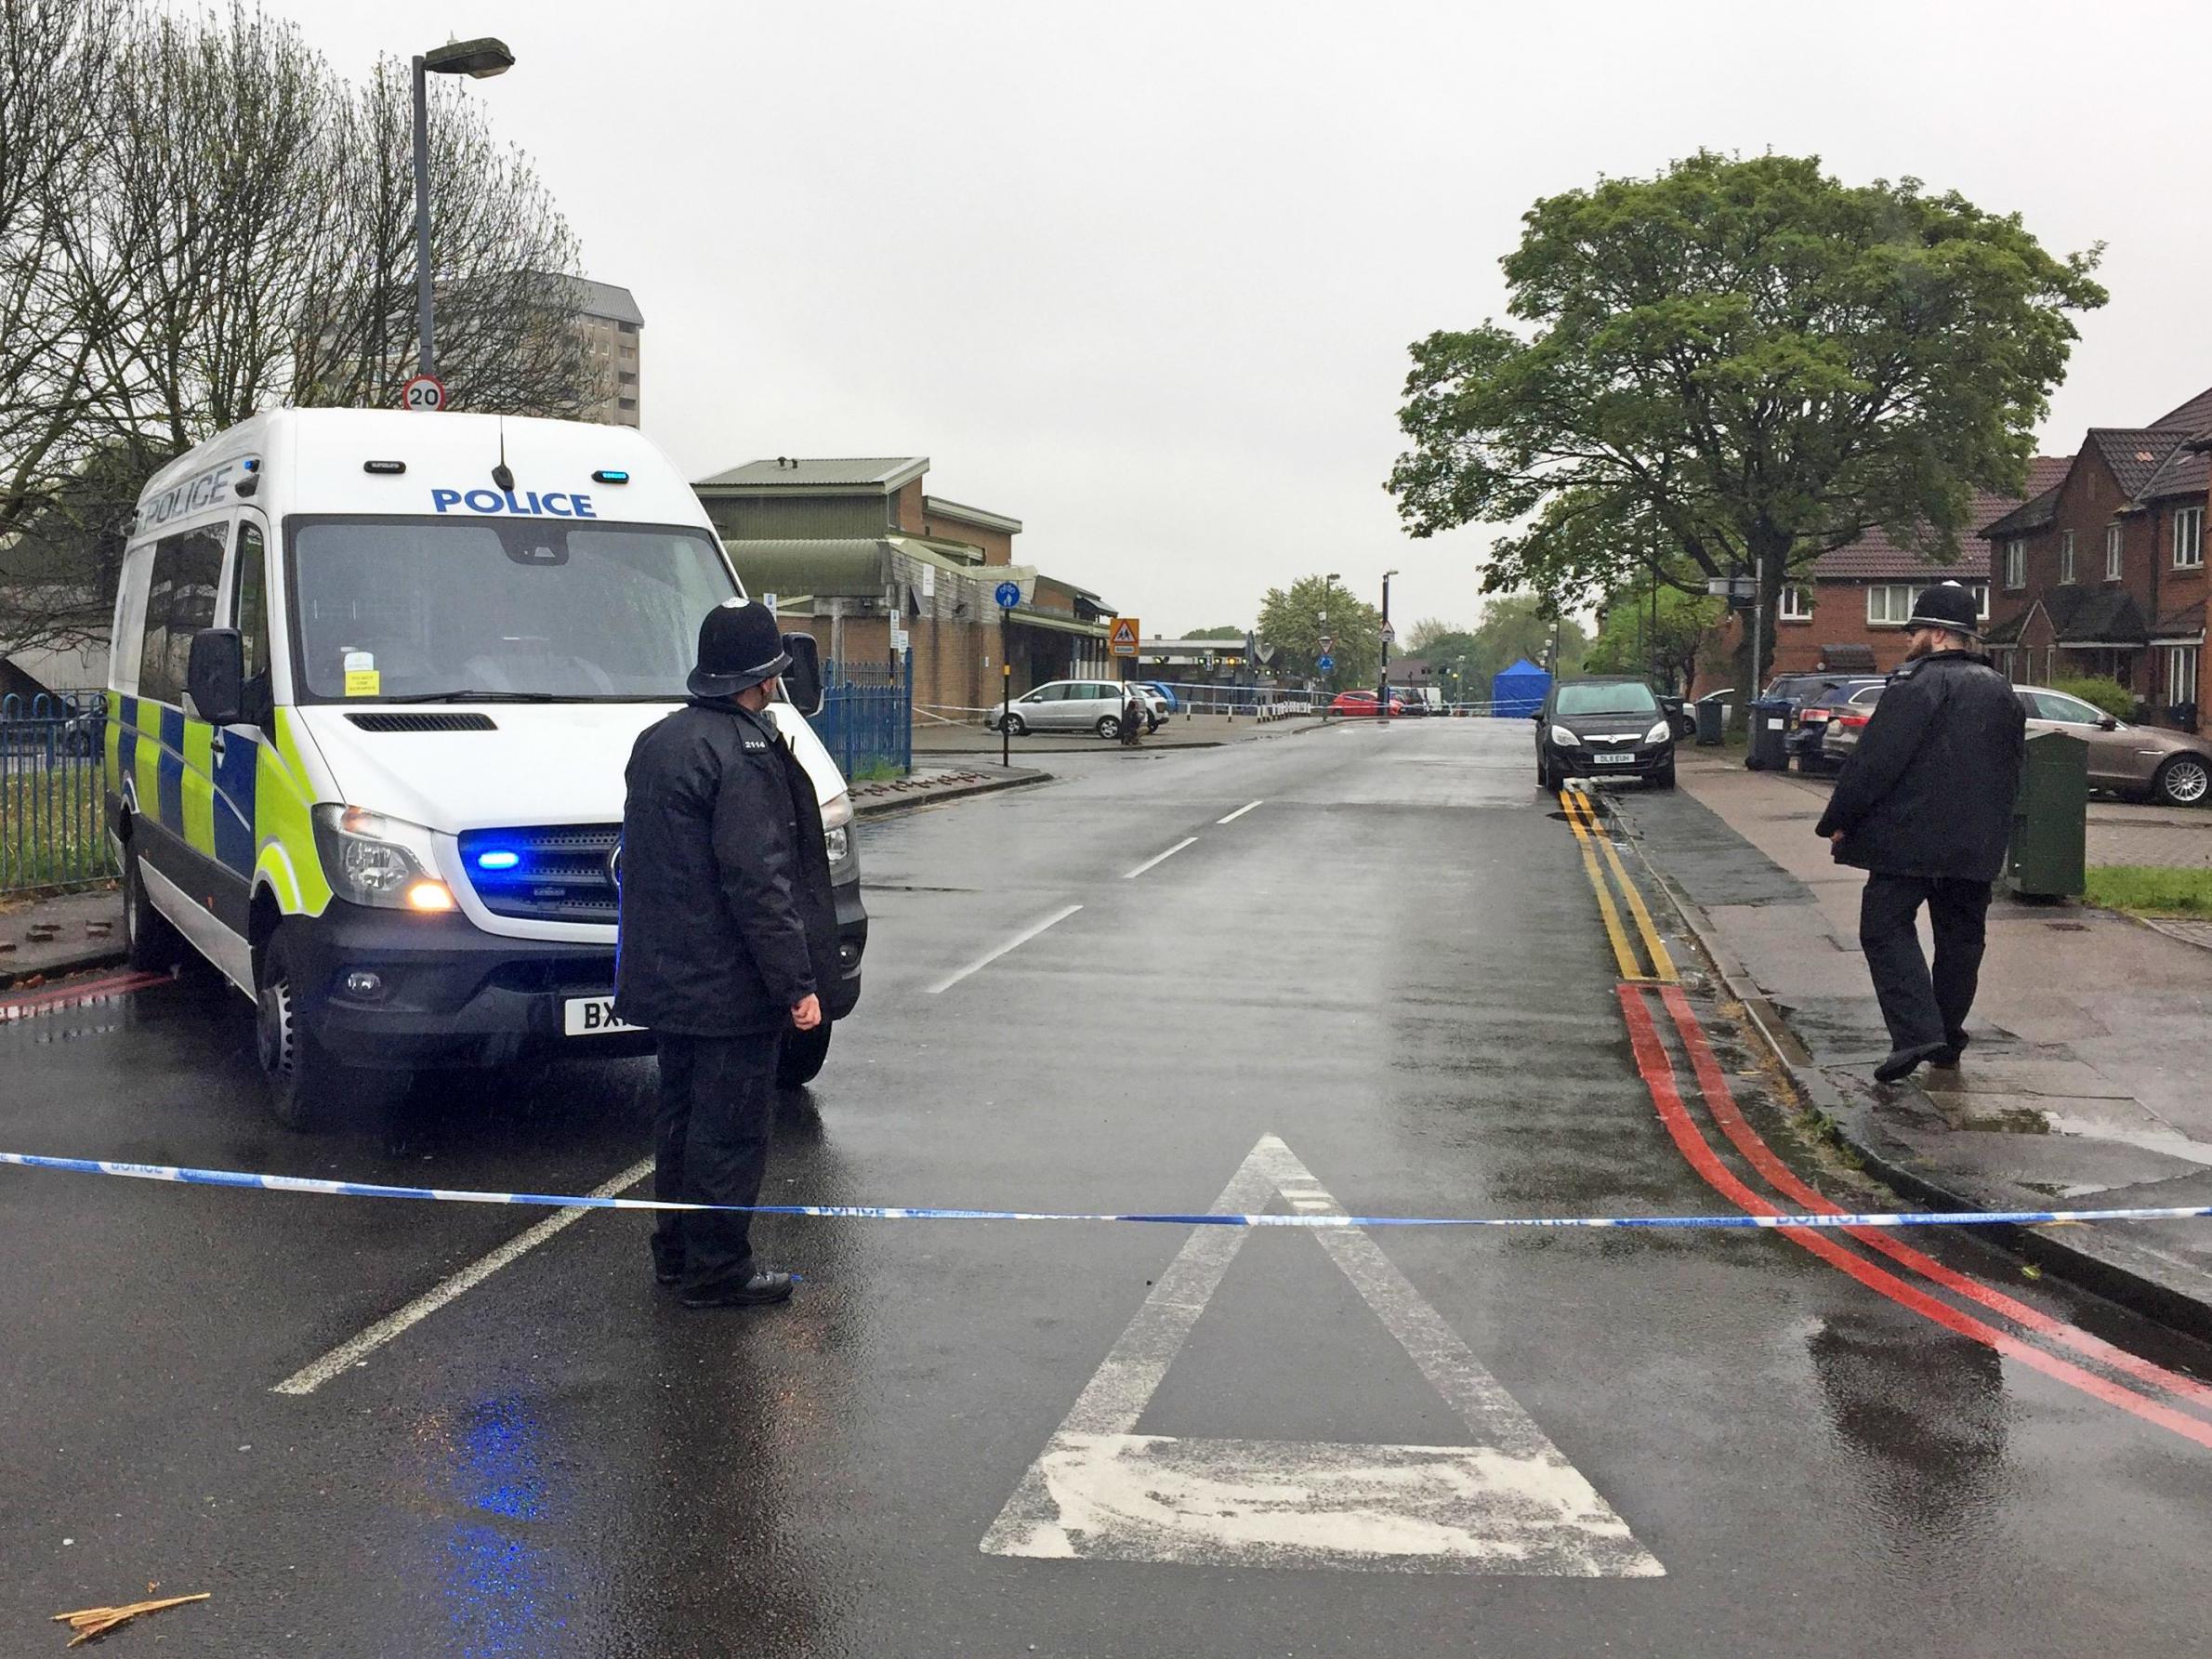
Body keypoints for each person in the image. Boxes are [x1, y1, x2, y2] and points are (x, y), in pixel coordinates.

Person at [613, 599, 823, 1309]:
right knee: (729, 1131)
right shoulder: (744, 754)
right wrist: (796, 983)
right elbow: (758, 882)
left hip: (667, 976)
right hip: (729, 987)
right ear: (763, 676)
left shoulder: (658, 741)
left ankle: (673, 1252)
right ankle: (717, 1268)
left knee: (677, 1122)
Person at [1812, 582, 2025, 1084]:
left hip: (1906, 842)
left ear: (1935, 634)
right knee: (1961, 940)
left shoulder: (1915, 686)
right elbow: (2013, 770)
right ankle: (1947, 1038)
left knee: (1883, 928)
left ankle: (1915, 1034)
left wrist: (1838, 821)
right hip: (1976, 845)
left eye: (1914, 631)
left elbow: (1874, 764)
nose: (1908, 639)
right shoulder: (2003, 692)